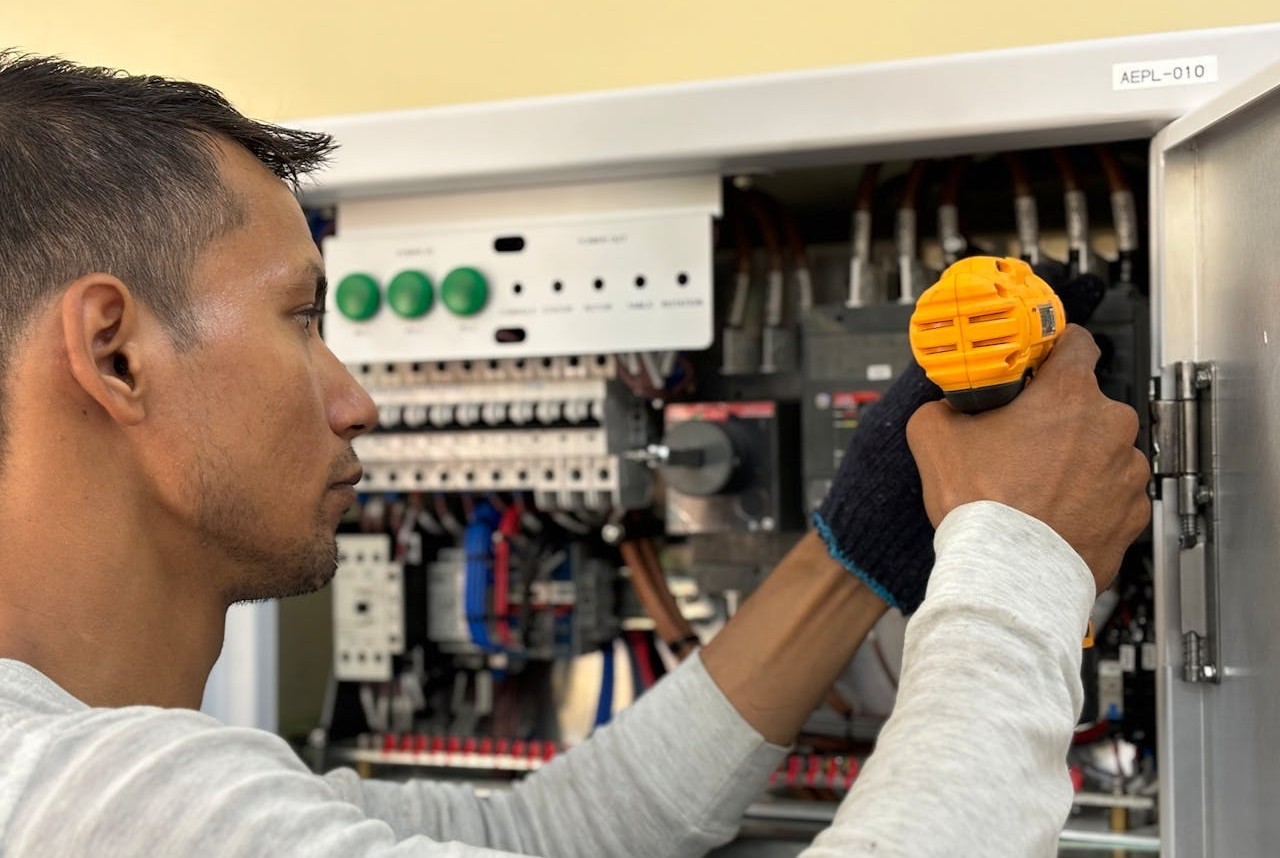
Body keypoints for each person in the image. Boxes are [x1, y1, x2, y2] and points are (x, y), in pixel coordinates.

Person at [0, 52, 1150, 857]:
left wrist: (854, 550)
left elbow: (557, 838)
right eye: (303, 318)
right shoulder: (103, 806)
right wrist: (1020, 560)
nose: (356, 402)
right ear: (115, 354)